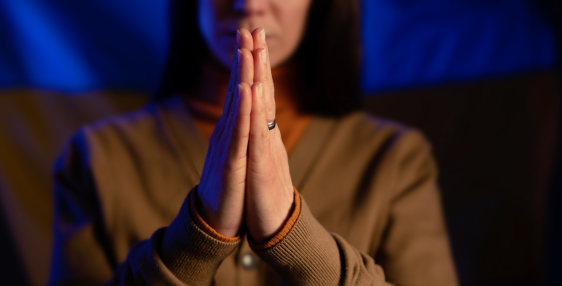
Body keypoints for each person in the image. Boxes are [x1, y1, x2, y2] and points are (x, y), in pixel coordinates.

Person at [48, 0, 458, 285]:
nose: (249, 4)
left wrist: (292, 234)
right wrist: (197, 238)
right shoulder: (96, 157)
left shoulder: (396, 158)